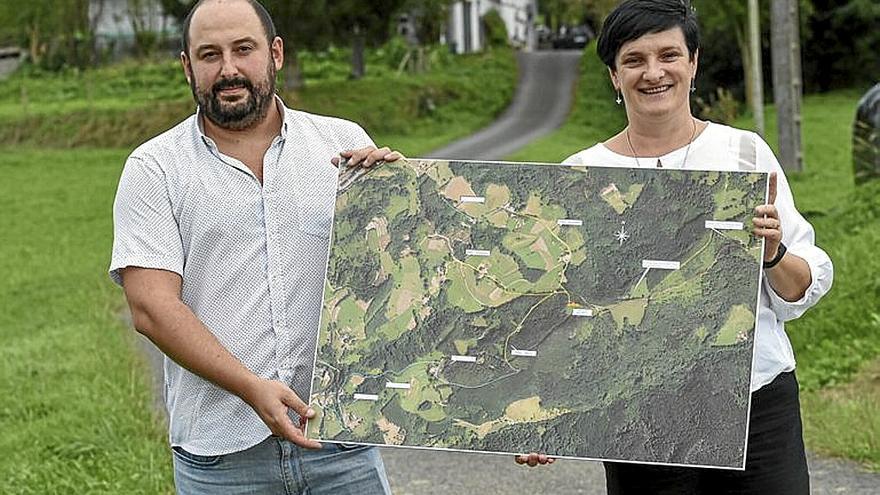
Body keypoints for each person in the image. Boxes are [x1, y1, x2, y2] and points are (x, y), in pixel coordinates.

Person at [514, 1, 833, 493]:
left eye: (668, 55)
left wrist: (771, 252)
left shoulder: (743, 153)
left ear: (693, 63)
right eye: (634, 60)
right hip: (637, 415)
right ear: (614, 76)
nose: (653, 72)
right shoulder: (580, 174)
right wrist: (540, 412)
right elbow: (560, 307)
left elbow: (800, 288)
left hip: (755, 407)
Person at [108, 0, 401, 493]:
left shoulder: (343, 144)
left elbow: (393, 278)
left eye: (244, 49)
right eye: (209, 55)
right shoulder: (154, 168)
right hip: (223, 458)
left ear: (275, 54)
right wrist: (251, 388)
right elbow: (151, 308)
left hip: (340, 446)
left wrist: (404, 198)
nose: (228, 69)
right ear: (187, 66)